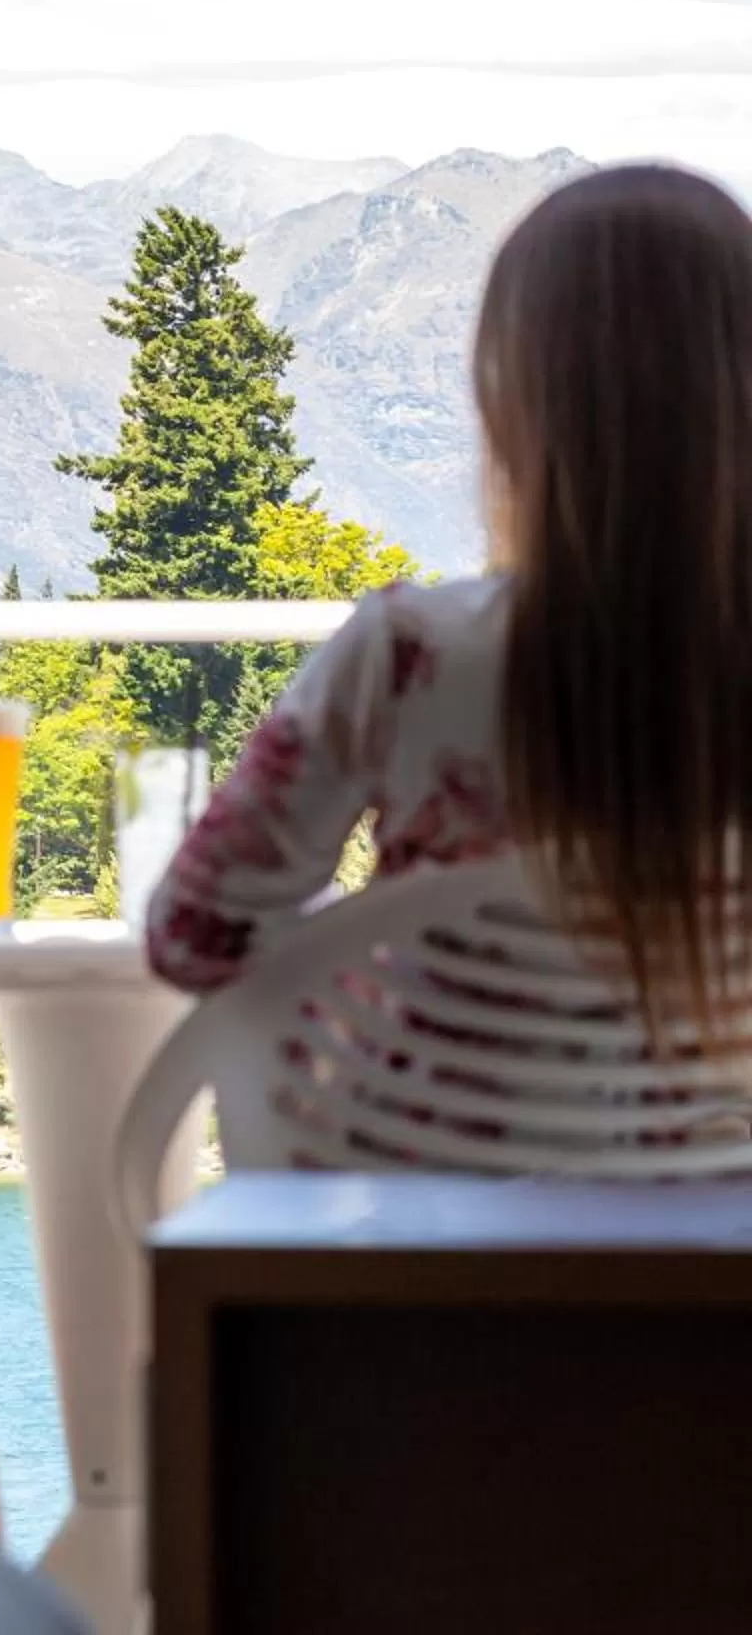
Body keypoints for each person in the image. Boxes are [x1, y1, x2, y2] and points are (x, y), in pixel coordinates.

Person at [149, 161, 752, 1056]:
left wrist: (389, 967)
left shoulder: (405, 657)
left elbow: (190, 933)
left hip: (435, 1182)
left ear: (509, 403)